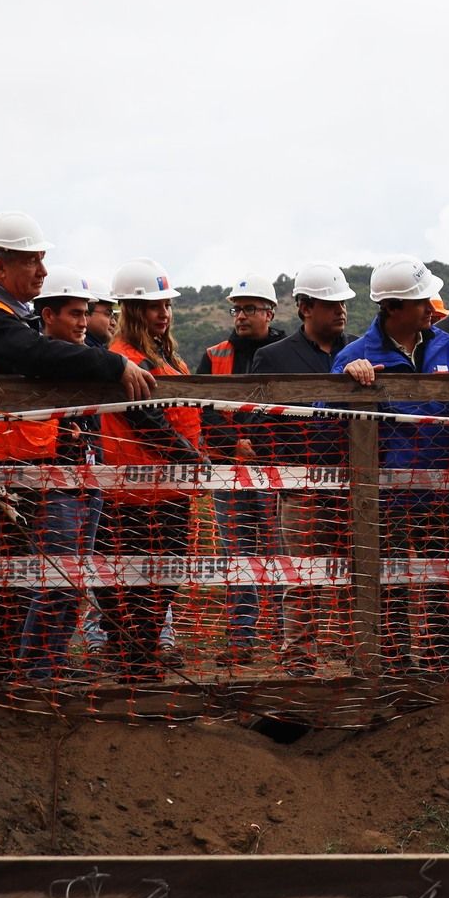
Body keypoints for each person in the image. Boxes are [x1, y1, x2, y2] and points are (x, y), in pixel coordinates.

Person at [0, 212, 149, 682]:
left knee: (24, 577)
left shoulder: (11, 315)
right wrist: (112, 365)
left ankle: (26, 673)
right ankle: (6, 679)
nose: (42, 271)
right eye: (32, 261)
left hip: (19, 461)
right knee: (3, 580)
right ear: (0, 267)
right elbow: (37, 356)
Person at [333, 256, 449, 672]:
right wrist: (346, 380)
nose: (430, 307)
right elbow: (325, 416)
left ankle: (444, 663)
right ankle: (394, 666)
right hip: (384, 497)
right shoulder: (355, 356)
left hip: (441, 490)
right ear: (392, 307)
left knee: (445, 579)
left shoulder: (448, 347)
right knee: (388, 583)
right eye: (420, 301)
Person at [250, 262, 375, 676]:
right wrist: (293, 465)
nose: (341, 310)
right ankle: (300, 656)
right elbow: (259, 423)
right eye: (330, 304)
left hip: (354, 483)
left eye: (343, 303)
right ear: (305, 307)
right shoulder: (274, 357)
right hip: (302, 484)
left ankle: (358, 653)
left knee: (357, 569)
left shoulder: (358, 351)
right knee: (303, 574)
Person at [95, 258, 205, 683]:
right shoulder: (125, 358)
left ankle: (141, 652)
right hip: (135, 493)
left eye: (167, 305)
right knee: (137, 582)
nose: (164, 313)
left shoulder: (164, 356)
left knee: (164, 579)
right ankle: (135, 659)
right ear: (133, 310)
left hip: (170, 489)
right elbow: (147, 421)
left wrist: (192, 460)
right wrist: (192, 460)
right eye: (155, 306)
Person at [15, 267, 105, 682]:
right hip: (52, 483)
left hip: (86, 477)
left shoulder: (89, 358)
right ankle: (37, 665)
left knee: (74, 577)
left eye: (85, 313)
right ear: (48, 315)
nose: (83, 322)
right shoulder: (33, 363)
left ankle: (52, 659)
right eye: (74, 313)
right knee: (56, 576)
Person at [195, 276, 286, 667]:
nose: (241, 316)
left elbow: (290, 411)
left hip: (275, 470)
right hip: (229, 470)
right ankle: (241, 637)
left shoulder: (286, 354)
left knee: (279, 552)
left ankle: (285, 636)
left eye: (250, 308)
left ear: (270, 313)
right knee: (237, 555)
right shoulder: (214, 356)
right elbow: (203, 409)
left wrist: (258, 444)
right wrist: (235, 444)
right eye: (237, 309)